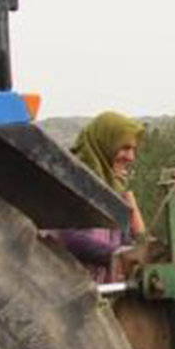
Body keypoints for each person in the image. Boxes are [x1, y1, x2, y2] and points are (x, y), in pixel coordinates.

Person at [50, 111, 148, 282]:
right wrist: (121, 254)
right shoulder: (74, 180)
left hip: (104, 289)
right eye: (125, 148)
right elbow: (73, 239)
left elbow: (126, 238)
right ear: (105, 143)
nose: (131, 157)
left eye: (133, 150)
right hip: (70, 289)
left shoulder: (115, 186)